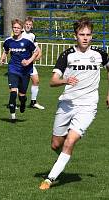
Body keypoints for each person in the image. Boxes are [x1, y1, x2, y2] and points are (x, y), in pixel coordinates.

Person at [39, 17, 109, 190]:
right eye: (81, 34)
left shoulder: (100, 54)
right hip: (67, 104)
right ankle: (64, 157)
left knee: (70, 141)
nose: (85, 38)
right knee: (56, 144)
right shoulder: (67, 55)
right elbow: (52, 81)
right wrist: (65, 81)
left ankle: (49, 179)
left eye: (88, 34)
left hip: (88, 106)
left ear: (92, 36)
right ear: (75, 35)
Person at [0, 18, 38, 122]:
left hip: (25, 71)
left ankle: (22, 103)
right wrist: (3, 57)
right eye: (14, 27)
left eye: (18, 28)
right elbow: (6, 50)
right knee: (13, 92)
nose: (16, 29)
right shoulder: (8, 41)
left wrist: (29, 61)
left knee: (22, 95)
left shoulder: (27, 42)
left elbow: (36, 52)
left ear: (21, 29)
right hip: (13, 69)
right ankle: (12, 115)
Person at [22, 17, 45, 110]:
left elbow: (37, 47)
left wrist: (39, 54)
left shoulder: (32, 35)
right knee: (19, 83)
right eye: (27, 24)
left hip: (30, 62)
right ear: (24, 24)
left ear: (32, 26)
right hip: (20, 62)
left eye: (30, 25)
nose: (28, 26)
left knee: (36, 81)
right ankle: (13, 102)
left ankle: (33, 102)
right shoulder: (19, 33)